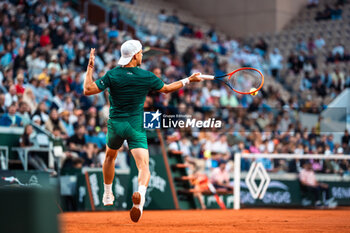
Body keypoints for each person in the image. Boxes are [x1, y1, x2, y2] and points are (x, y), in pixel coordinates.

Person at [83, 39, 201, 222]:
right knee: (143, 166)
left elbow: (88, 89)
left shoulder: (112, 74)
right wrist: (189, 80)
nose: (142, 55)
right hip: (135, 126)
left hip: (115, 125)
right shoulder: (146, 76)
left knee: (109, 157)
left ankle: (107, 194)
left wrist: (90, 68)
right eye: (141, 53)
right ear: (136, 55)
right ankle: (140, 196)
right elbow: (168, 89)